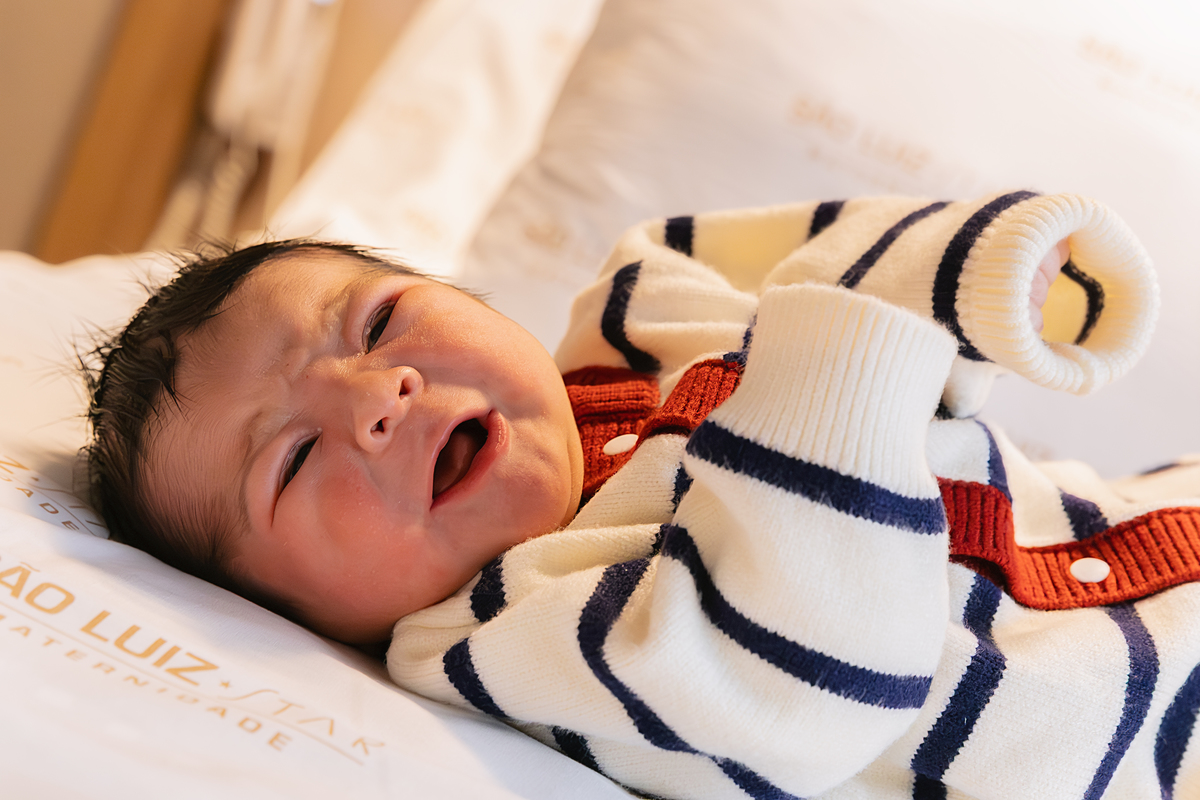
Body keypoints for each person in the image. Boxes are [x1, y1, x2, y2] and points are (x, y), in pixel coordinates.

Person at [85, 191, 1198, 799]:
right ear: (288, 613)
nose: (380, 397)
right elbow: (798, 685)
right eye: (290, 460)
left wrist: (975, 270)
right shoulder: (506, 634)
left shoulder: (633, 319)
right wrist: (839, 349)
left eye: (377, 322)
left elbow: (777, 251)